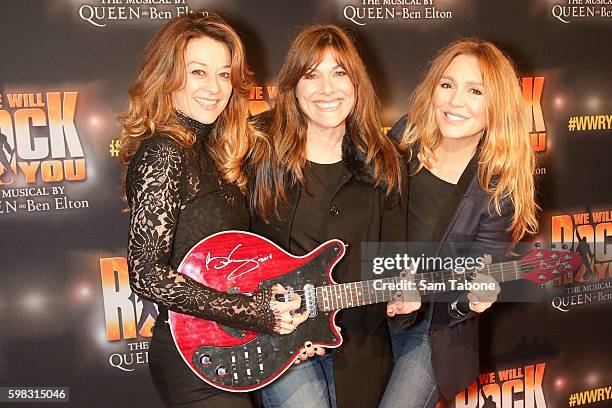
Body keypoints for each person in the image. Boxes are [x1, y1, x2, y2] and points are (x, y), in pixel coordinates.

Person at [119, 13, 307, 407]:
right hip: (191, 359)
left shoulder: (214, 151)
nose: (214, 87)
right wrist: (257, 314)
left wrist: (273, 322)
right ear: (168, 76)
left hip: (227, 352)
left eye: (224, 75)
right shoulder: (164, 153)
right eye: (198, 72)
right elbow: (147, 275)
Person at [247, 24, 417, 408]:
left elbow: (396, 262)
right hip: (280, 345)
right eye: (312, 75)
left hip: (360, 350)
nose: (327, 89)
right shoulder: (258, 152)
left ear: (356, 82)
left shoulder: (386, 162)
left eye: (339, 73)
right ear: (292, 86)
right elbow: (232, 254)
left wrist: (404, 303)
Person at [381, 38, 539, 408]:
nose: (455, 102)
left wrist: (472, 299)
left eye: (475, 91)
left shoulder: (499, 187)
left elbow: (474, 280)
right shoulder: (404, 138)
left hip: (431, 333)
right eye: (447, 85)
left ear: (496, 105)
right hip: (368, 312)